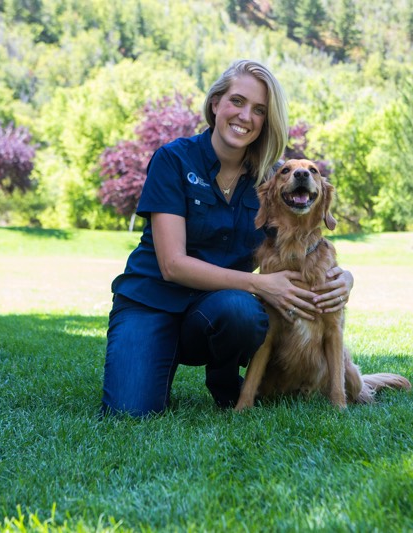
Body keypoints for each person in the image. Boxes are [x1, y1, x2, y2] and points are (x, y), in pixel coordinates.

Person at [101, 59, 354, 417]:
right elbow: (172, 265)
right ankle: (155, 354)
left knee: (241, 310)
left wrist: (345, 277)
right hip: (151, 303)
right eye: (237, 101)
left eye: (259, 110)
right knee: (127, 413)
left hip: (216, 312)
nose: (245, 116)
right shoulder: (173, 160)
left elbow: (305, 236)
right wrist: (259, 285)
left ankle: (222, 380)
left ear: (266, 121)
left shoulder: (272, 181)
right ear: (216, 102)